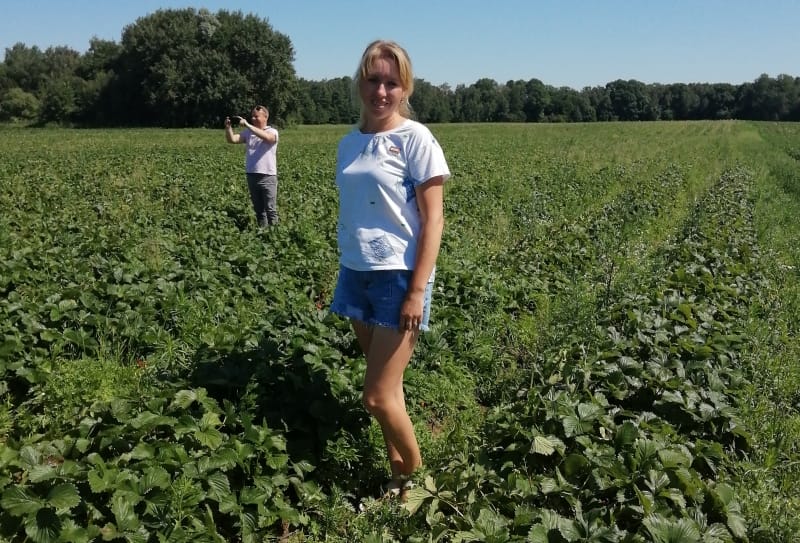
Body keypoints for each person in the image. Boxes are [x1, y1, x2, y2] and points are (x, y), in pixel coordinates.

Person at [330, 40, 451, 502]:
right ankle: (398, 477)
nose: (381, 90)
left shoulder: (415, 139)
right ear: (360, 81)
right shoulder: (348, 143)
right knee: (390, 391)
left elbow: (434, 219)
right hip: (357, 272)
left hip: (400, 276)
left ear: (405, 89)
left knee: (376, 395)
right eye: (373, 79)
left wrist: (417, 290)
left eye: (391, 82)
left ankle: (419, 479)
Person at [224, 106, 280, 227]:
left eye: (256, 116)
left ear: (266, 117)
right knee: (259, 210)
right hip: (252, 175)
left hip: (268, 176)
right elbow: (232, 140)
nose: (253, 118)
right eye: (252, 116)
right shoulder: (248, 133)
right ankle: (263, 233)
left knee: (271, 210)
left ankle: (276, 235)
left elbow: (268, 138)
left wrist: (248, 125)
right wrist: (228, 128)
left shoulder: (272, 131)